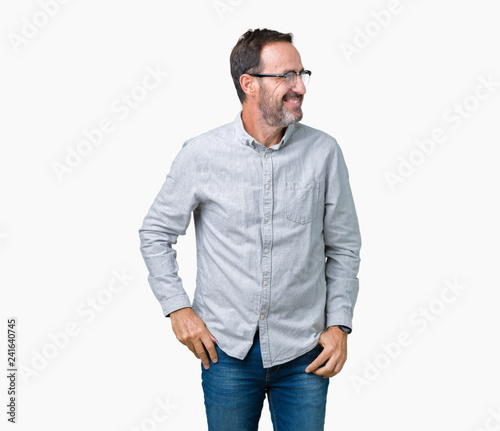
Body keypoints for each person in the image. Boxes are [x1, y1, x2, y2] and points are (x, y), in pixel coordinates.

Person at [138, 28, 361, 431]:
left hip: (305, 353)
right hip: (226, 352)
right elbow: (155, 232)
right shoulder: (201, 154)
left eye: (302, 74)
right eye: (286, 76)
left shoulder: (324, 152)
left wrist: (339, 324)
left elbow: (343, 247)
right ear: (248, 84)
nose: (300, 88)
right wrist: (177, 307)